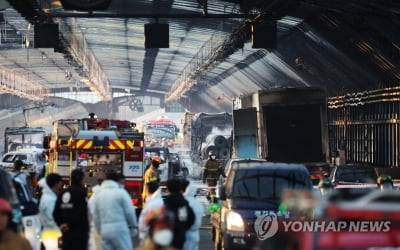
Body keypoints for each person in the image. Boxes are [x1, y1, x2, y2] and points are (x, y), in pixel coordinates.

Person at [92, 170, 138, 250]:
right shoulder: (121, 193)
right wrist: (134, 226)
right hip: (119, 229)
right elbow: (130, 212)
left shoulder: (99, 195)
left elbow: (95, 215)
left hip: (104, 231)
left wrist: (99, 230)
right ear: (116, 181)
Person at [53, 169, 89, 250]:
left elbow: (56, 212)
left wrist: (61, 224)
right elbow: (82, 212)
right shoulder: (82, 193)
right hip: (79, 232)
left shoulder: (62, 193)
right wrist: (70, 224)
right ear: (82, 179)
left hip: (65, 232)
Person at [164, 178, 195, 250]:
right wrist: (183, 228)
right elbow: (189, 218)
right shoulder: (182, 203)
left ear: (168, 189)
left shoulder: (167, 203)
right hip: (180, 235)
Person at [182, 180, 203, 250]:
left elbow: (182, 219)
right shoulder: (198, 204)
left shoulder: (182, 203)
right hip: (195, 233)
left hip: (184, 233)